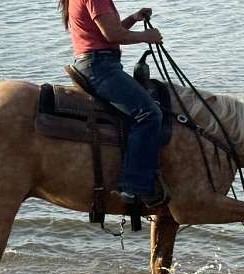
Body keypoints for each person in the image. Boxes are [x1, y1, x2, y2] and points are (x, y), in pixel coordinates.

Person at [58, 0, 165, 206]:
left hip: (96, 63)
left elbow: (107, 32)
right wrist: (147, 37)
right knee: (149, 114)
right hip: (100, 67)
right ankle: (133, 187)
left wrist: (133, 19)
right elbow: (112, 36)